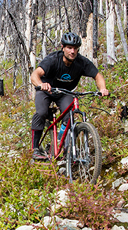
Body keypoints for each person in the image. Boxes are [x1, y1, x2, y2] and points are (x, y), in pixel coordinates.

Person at [29, 32, 110, 161]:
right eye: (69, 48)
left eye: (75, 48)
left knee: (69, 116)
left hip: (64, 92)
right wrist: (41, 84)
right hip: (46, 90)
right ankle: (35, 149)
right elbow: (35, 74)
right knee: (41, 112)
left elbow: (97, 75)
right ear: (63, 47)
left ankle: (63, 144)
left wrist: (102, 88)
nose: (72, 51)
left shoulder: (81, 62)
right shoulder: (53, 59)